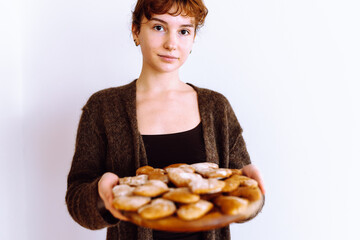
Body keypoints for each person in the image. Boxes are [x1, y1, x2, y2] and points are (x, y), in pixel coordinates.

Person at [65, 0, 265, 239]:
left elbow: (239, 197)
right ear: (136, 30)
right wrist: (101, 196)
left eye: (183, 31)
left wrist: (253, 192)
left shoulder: (217, 108)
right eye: (159, 27)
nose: (172, 44)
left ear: (192, 39)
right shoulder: (103, 107)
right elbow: (77, 200)